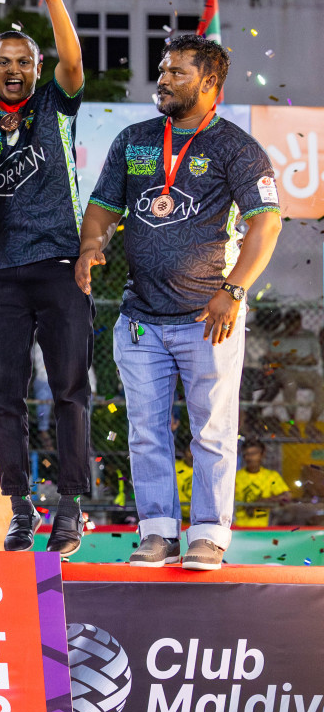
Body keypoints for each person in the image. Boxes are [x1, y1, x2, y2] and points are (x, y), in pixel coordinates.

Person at [78, 33, 282, 571]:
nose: (163, 80)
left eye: (177, 73)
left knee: (211, 432)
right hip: (140, 318)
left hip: (207, 319)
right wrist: (92, 243)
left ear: (209, 82)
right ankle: (158, 534)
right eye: (163, 71)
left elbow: (267, 223)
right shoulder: (134, 139)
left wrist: (233, 290)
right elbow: (100, 207)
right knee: (146, 432)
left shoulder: (237, 147)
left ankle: (209, 535)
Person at [0, 0, 92, 556]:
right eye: (2, 61)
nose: (12, 70)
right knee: (2, 397)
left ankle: (70, 506)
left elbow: (72, 59)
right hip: (0, 272)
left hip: (60, 265)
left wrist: (52, 1)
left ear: (37, 70)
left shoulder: (55, 106)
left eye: (22, 61)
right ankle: (20, 508)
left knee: (69, 388)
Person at [234, 440, 290, 527]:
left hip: (264, 526)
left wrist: (259, 502)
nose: (250, 458)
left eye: (254, 454)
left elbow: (286, 498)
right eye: (247, 454)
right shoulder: (236, 477)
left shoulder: (271, 477)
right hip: (239, 526)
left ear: (262, 455)